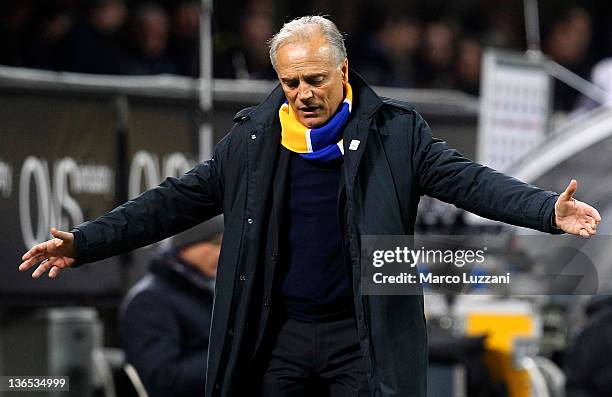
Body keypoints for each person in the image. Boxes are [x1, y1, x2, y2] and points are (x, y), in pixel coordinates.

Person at [19, 16, 601, 397]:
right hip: (281, 338)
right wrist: (85, 242)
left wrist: (547, 210)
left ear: (343, 72)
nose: (303, 94)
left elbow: (471, 182)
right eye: (291, 82)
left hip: (364, 334)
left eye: (315, 79)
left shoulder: (396, 134)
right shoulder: (251, 140)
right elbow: (169, 204)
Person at [119, 216, 222, 397]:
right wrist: (234, 356)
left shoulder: (208, 290)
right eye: (216, 242)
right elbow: (164, 380)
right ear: (185, 246)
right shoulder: (149, 301)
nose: (223, 252)